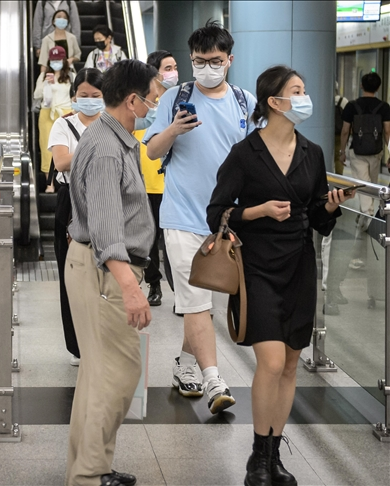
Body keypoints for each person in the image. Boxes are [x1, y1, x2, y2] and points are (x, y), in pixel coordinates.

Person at [207, 65, 350, 486]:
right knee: (270, 361)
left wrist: (331, 204)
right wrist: (259, 210)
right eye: (297, 91)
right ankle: (256, 456)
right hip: (257, 266)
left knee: (290, 365)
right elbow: (217, 212)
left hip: (300, 265)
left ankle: (273, 453)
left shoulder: (312, 151)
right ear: (275, 102)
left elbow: (319, 218)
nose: (305, 98)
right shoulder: (244, 153)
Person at [144, 20, 256, 413]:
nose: (206, 67)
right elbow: (153, 152)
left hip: (227, 222)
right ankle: (214, 381)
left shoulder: (245, 103)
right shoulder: (176, 96)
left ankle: (186, 363)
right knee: (196, 304)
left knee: (202, 301)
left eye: (215, 60)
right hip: (182, 217)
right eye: (198, 61)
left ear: (229, 60)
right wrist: (174, 128)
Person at [65, 58, 157, 486]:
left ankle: (89, 469)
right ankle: (88, 474)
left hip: (93, 265)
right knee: (118, 376)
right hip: (106, 271)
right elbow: (105, 229)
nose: (156, 103)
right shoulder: (105, 148)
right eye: (152, 97)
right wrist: (130, 287)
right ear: (133, 100)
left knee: (97, 375)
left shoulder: (113, 138)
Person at [48, 68, 104, 366]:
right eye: (84, 96)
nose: (91, 101)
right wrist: (96, 149)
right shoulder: (63, 124)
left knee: (106, 275)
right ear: (74, 97)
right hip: (71, 202)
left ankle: (102, 339)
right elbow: (60, 162)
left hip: (107, 201)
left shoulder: (113, 123)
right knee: (72, 277)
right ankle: (77, 345)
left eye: (96, 96)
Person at [138, 50, 178, 307]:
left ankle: (181, 292)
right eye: (168, 67)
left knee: (175, 240)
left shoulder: (181, 98)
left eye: (175, 66)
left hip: (174, 181)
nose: (173, 72)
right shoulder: (141, 99)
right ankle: (154, 283)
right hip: (146, 180)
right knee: (150, 239)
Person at [339, 72, 390, 221]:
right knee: (372, 184)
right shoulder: (384, 107)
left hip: (357, 151)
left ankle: (366, 215)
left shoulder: (351, 106)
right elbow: (387, 132)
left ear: (361, 85)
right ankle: (366, 213)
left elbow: (344, 131)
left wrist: (342, 152)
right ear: (378, 87)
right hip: (376, 151)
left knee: (362, 184)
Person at [35, 46, 74, 193]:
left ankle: (69, 181)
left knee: (68, 147)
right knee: (47, 148)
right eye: (53, 60)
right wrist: (46, 83)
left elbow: (74, 95)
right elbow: (36, 95)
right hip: (47, 113)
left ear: (64, 60)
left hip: (66, 112)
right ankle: (49, 183)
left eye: (58, 59)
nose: (55, 62)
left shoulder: (71, 76)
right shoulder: (44, 75)